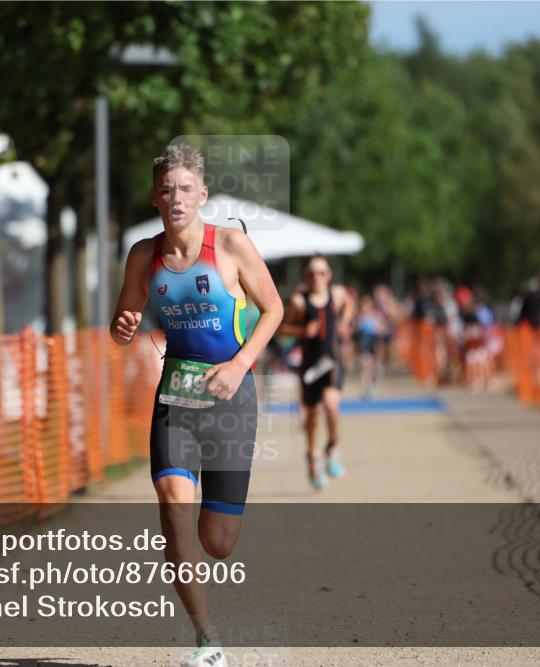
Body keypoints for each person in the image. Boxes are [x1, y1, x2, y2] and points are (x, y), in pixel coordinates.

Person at [110, 143, 283, 667]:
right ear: (155, 198)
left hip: (232, 399)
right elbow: (124, 323)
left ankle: (204, 552)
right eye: (167, 190)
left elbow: (274, 310)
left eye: (186, 189)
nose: (176, 197)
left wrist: (238, 366)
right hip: (176, 398)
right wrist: (122, 328)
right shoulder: (144, 255)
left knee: (219, 541)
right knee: (173, 509)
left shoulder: (231, 246)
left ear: (202, 195)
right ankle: (208, 641)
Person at [279, 254, 354, 490]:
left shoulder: (338, 295)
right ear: (305, 277)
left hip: (332, 362)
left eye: (321, 272)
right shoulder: (299, 302)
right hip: (310, 367)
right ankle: (312, 458)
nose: (317, 277)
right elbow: (282, 329)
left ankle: (332, 446)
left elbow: (350, 305)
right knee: (312, 417)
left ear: (329, 275)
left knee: (331, 405)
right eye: (311, 273)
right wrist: (302, 330)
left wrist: (344, 322)